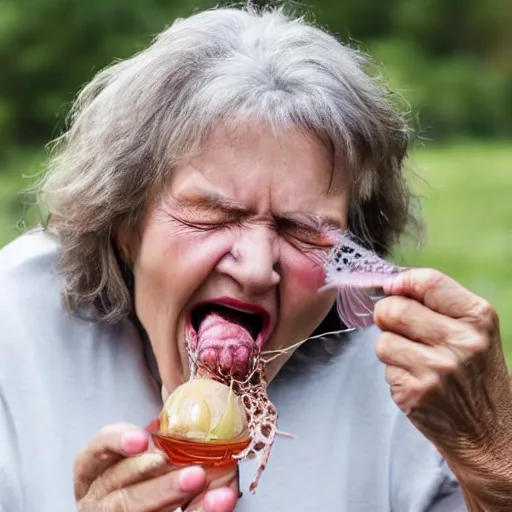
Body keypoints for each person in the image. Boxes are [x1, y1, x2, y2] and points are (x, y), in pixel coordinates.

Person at [1, 5, 511, 512]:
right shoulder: (17, 332)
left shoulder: (411, 381)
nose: (254, 268)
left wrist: (495, 460)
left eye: (302, 230)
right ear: (127, 225)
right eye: (213, 215)